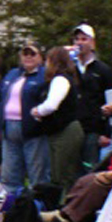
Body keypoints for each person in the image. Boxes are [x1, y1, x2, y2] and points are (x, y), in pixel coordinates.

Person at [0, 40, 50, 196]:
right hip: (9, 130)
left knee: (37, 177)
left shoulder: (44, 76)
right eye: (25, 53)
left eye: (33, 53)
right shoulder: (12, 74)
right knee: (8, 178)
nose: (28, 57)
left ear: (41, 57)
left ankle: (37, 213)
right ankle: (7, 214)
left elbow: (49, 102)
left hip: (33, 132)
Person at [32, 47, 83, 194]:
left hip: (66, 131)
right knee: (57, 174)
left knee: (63, 175)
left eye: (48, 60)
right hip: (58, 131)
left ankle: (63, 207)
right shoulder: (63, 79)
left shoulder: (60, 79)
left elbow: (51, 105)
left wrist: (37, 111)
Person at [70, 23, 112, 168]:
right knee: (71, 170)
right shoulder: (70, 69)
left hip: (94, 131)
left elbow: (111, 102)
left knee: (90, 168)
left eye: (84, 39)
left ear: (92, 43)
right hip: (73, 127)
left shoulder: (103, 70)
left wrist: (106, 133)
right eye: (77, 39)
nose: (79, 43)